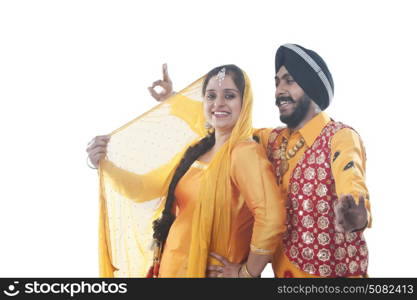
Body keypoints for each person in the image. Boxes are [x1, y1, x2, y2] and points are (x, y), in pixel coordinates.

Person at [141, 44, 372, 278]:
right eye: (276, 83)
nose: (279, 91)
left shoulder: (339, 137)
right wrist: (174, 100)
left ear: (311, 86)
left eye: (289, 81)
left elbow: (351, 178)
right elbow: (223, 123)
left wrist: (358, 215)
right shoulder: (271, 140)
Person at [87, 65, 286, 278]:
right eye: (211, 96)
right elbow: (145, 188)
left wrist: (247, 272)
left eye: (229, 96)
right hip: (171, 267)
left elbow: (271, 216)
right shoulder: (198, 150)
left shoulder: (244, 152)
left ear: (244, 102)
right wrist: (105, 164)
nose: (218, 103)